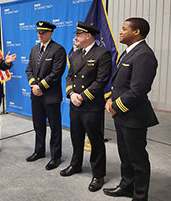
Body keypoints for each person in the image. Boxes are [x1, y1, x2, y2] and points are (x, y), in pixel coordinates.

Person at [103, 18, 158, 201]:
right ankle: (127, 186)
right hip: (121, 114)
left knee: (137, 158)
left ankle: (140, 195)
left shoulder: (144, 55)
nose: (120, 31)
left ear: (137, 32)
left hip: (134, 116)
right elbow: (120, 85)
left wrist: (116, 107)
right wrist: (110, 99)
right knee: (125, 155)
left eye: (124, 28)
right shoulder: (128, 53)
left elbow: (139, 89)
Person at [61, 21, 112, 192]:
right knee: (76, 138)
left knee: (95, 141)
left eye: (78, 35)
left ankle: (98, 174)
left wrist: (82, 96)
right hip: (75, 104)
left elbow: (102, 80)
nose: (75, 38)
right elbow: (69, 76)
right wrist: (71, 94)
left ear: (88, 36)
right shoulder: (75, 54)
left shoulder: (102, 54)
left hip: (91, 105)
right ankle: (75, 165)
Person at [25, 21, 66, 170]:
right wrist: (33, 84)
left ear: (50, 33)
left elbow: (56, 73)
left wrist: (40, 87)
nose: (40, 35)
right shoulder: (34, 49)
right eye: (38, 32)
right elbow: (29, 69)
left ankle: (56, 157)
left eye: (43, 32)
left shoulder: (58, 49)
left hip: (50, 95)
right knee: (38, 125)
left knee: (55, 127)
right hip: (36, 95)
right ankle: (39, 151)